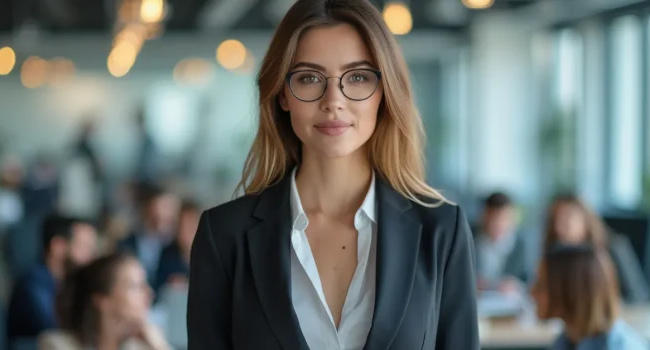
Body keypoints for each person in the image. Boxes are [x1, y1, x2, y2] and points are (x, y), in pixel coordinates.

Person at [186, 0, 478, 349]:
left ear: (384, 93)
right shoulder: (224, 236)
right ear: (282, 94)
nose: (333, 100)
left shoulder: (441, 231)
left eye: (357, 77)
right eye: (309, 78)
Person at [531, 244, 650, 350]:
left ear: (571, 291)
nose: (532, 292)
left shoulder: (624, 347)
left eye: (542, 285)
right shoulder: (566, 341)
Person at [38, 253, 171, 350]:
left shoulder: (142, 345)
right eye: (135, 286)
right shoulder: (56, 345)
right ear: (102, 300)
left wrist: (159, 346)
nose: (149, 293)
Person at [542, 193, 650, 303]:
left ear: (586, 220)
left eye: (568, 217)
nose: (561, 225)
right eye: (557, 219)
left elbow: (638, 297)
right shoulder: (555, 256)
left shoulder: (614, 248)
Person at [7, 215, 97, 343]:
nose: (91, 258)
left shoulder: (60, 283)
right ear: (57, 246)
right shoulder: (33, 283)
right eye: (84, 247)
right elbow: (56, 329)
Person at [474, 192, 531, 294]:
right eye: (494, 219)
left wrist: (515, 284)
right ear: (484, 217)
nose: (500, 225)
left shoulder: (520, 243)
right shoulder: (470, 238)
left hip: (506, 302)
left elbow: (526, 280)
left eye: (505, 219)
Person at [154, 200, 201, 292]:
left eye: (190, 227)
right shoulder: (167, 254)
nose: (185, 232)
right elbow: (157, 287)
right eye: (182, 226)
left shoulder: (211, 255)